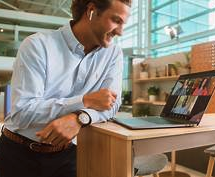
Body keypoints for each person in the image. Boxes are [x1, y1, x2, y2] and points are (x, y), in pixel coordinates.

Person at [0, 0, 131, 177]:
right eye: (116, 20)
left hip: (67, 155)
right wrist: (85, 101)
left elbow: (112, 105)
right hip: (18, 155)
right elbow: (22, 112)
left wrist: (80, 118)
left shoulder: (113, 54)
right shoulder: (37, 45)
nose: (120, 31)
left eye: (123, 23)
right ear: (91, 11)